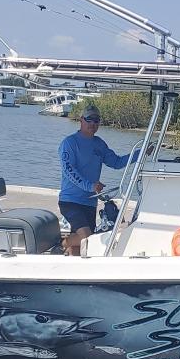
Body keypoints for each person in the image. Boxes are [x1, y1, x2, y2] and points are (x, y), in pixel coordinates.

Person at [58, 105, 143, 256]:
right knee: (86, 235)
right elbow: (69, 170)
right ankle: (60, 244)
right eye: (89, 119)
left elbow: (117, 162)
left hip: (90, 202)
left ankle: (73, 272)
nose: (93, 124)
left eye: (96, 120)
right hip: (70, 200)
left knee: (84, 244)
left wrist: (140, 153)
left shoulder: (99, 144)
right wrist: (90, 186)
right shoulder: (69, 143)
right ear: (81, 120)